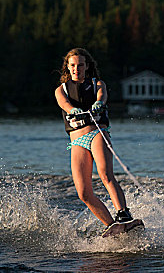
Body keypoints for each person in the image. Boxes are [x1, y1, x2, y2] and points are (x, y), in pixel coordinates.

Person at [55, 48, 134, 235]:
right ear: (67, 67)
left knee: (105, 174)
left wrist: (99, 103)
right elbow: (64, 103)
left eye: (80, 65)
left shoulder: (97, 83)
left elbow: (102, 95)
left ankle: (123, 214)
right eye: (73, 65)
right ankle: (112, 225)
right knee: (83, 193)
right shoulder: (61, 90)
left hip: (97, 133)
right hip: (77, 141)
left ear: (87, 66)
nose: (77, 69)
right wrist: (72, 110)